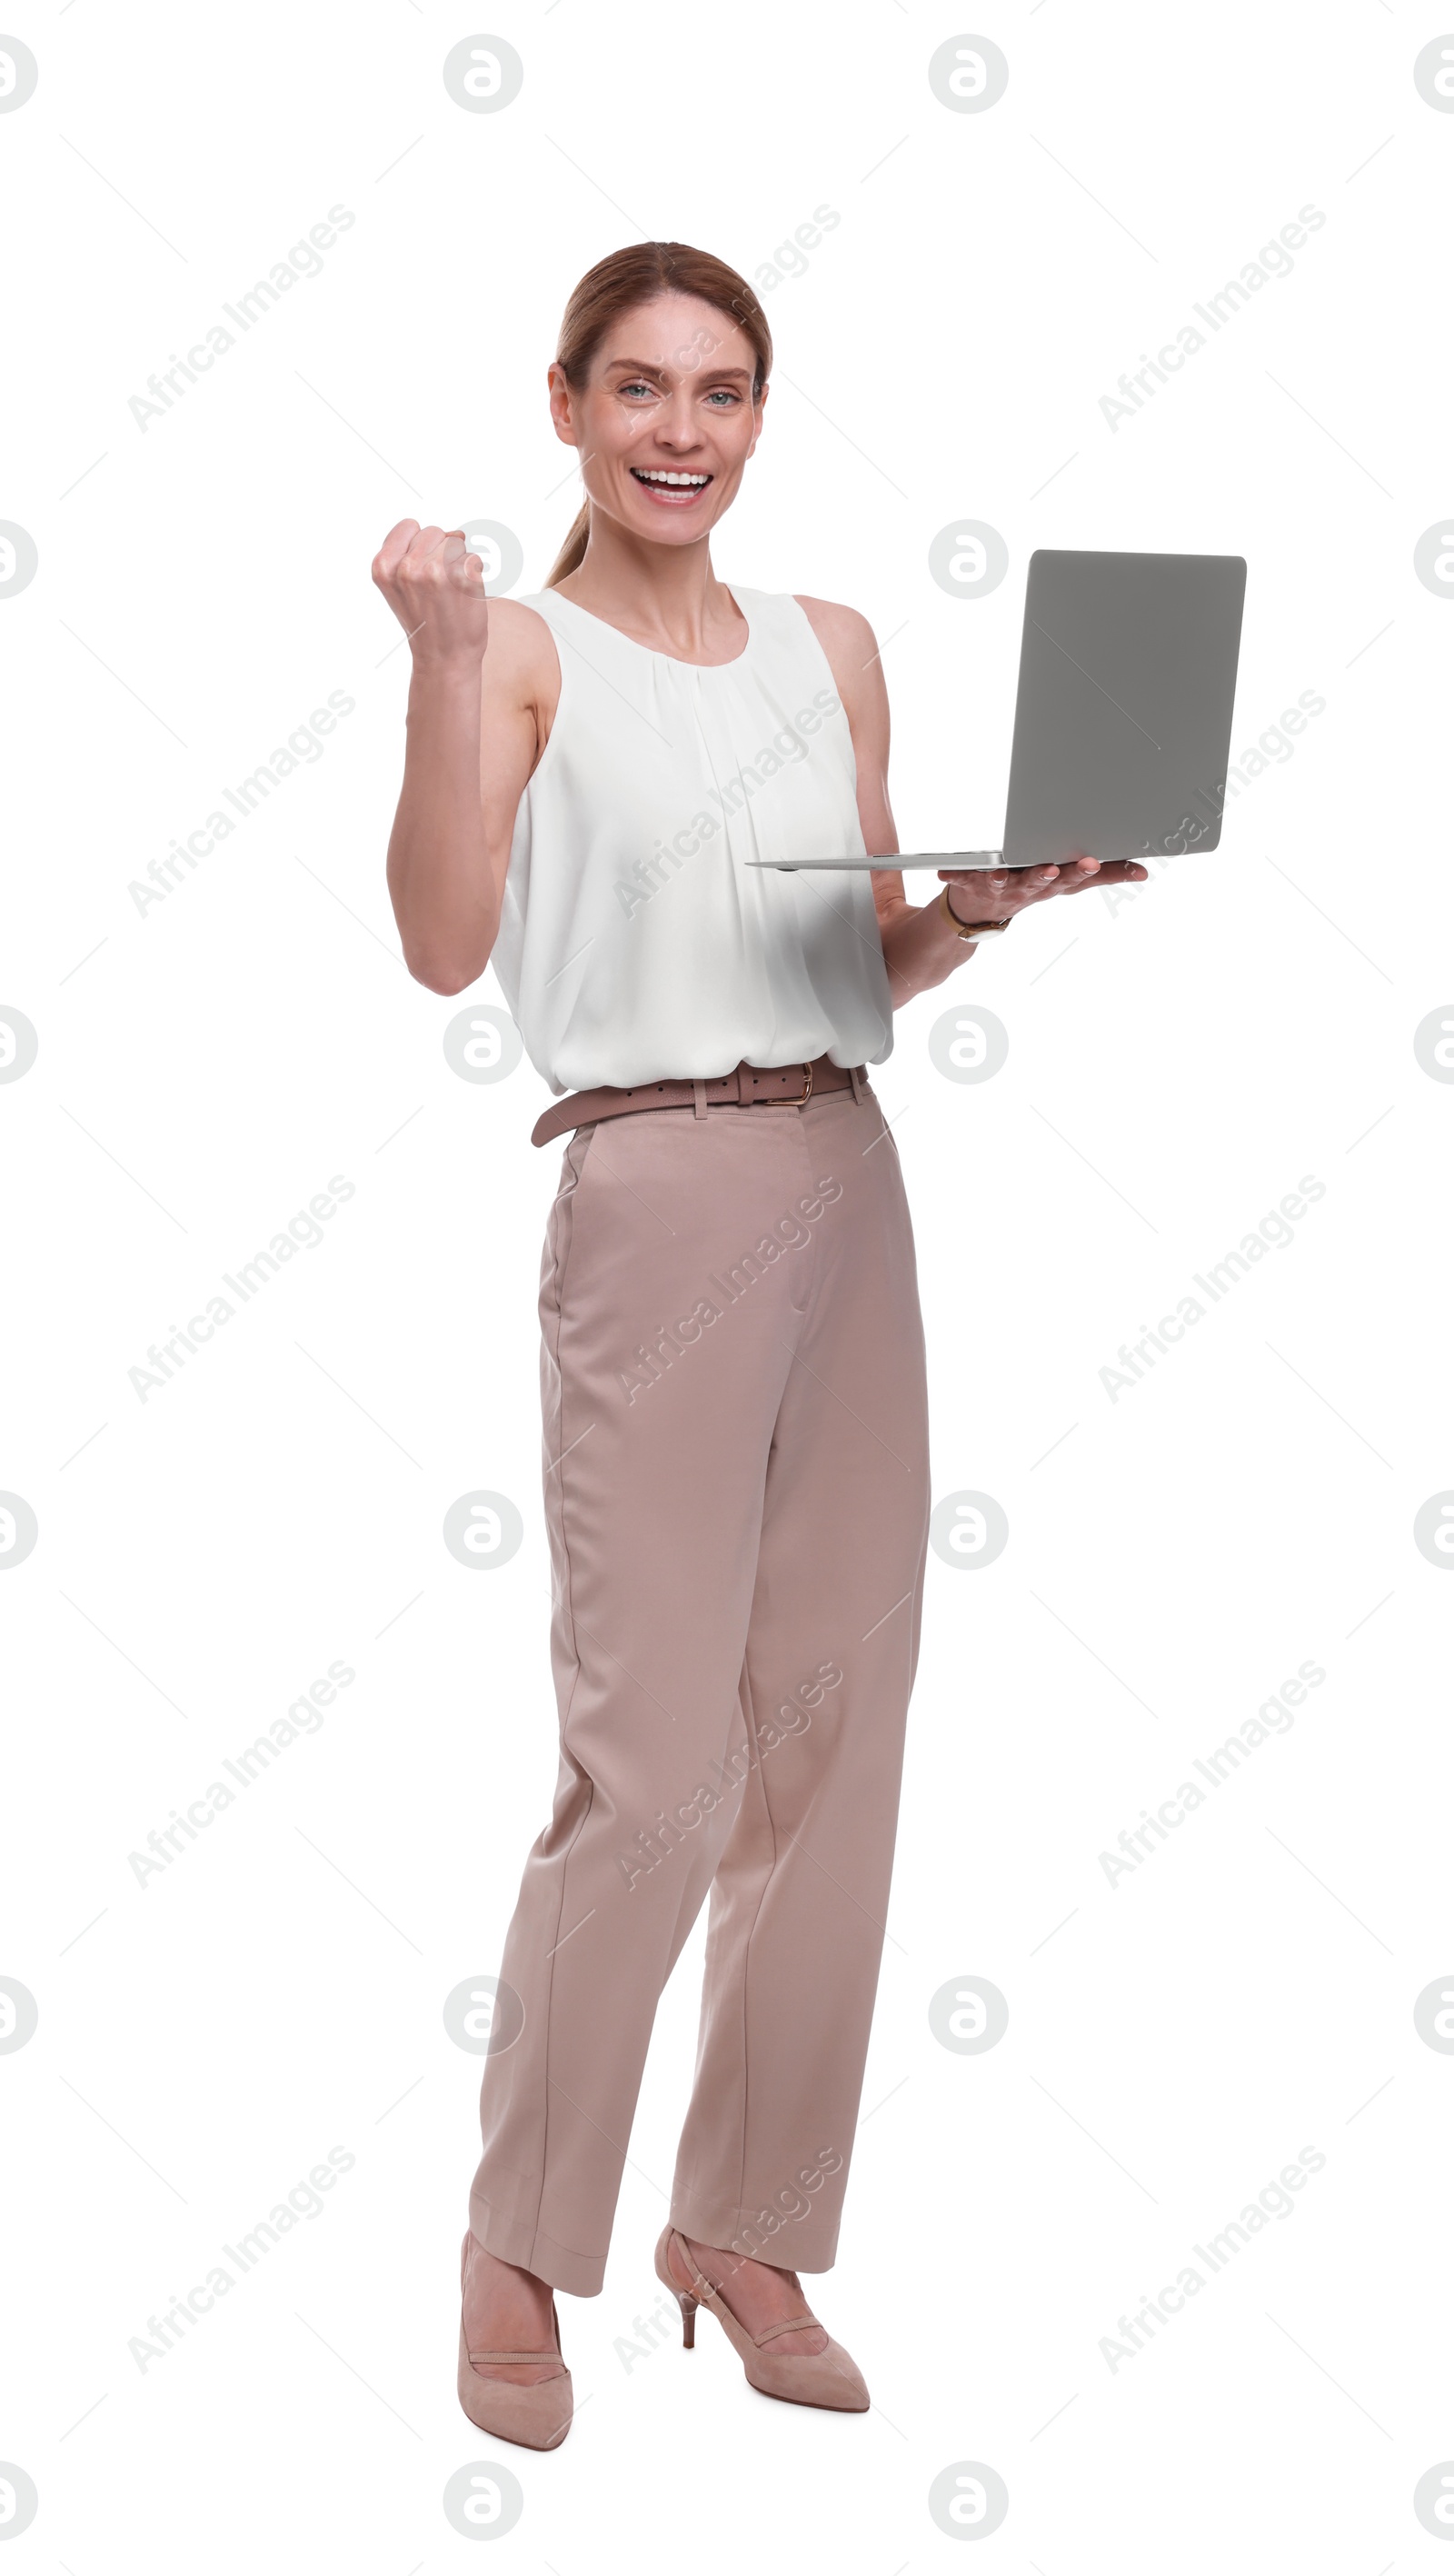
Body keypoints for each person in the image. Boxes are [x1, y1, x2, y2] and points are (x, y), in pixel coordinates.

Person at [373, 240, 1146, 2450]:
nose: (679, 430)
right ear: (565, 407)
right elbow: (441, 941)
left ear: (757, 419)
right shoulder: (514, 645)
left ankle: (749, 2226)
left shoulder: (831, 648)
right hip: (646, 1189)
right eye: (637, 389)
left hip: (842, 1174)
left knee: (837, 1721)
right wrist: (438, 673)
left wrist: (981, 910)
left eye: (718, 392)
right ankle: (518, 2246)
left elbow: (858, 959)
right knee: (652, 1756)